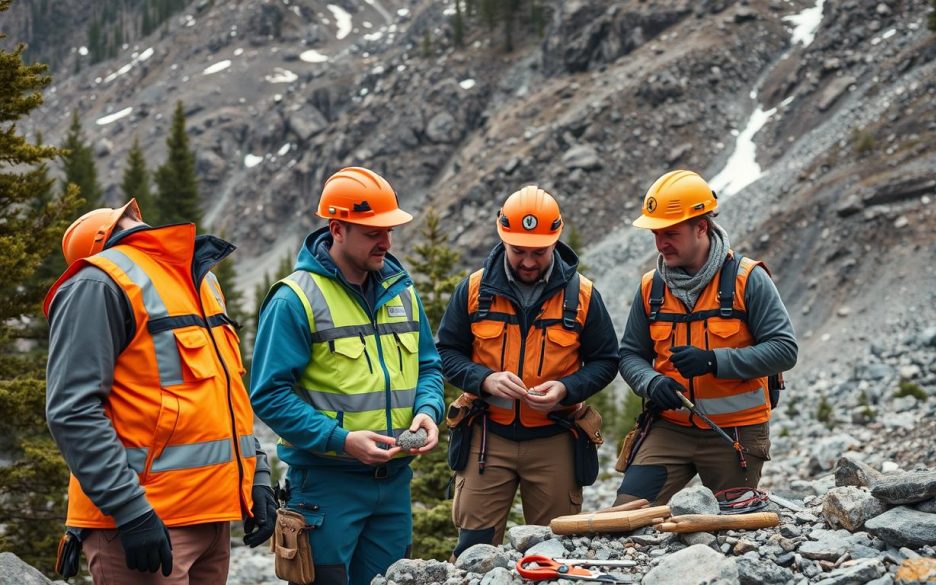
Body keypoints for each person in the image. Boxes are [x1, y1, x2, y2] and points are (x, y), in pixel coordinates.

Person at [43, 199, 275, 584]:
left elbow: (225, 393)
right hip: (145, 523)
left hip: (210, 518)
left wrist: (257, 476)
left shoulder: (199, 280)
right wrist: (130, 509)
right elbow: (72, 410)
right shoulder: (96, 283)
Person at [249, 167, 445, 585]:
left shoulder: (402, 290)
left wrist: (429, 409)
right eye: (373, 232)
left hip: (393, 484)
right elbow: (268, 395)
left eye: (389, 230)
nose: (387, 242)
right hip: (325, 487)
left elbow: (428, 365)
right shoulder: (295, 298)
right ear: (337, 229)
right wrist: (341, 441)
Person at [437, 186, 619, 558]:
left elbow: (606, 361)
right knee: (474, 551)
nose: (529, 261)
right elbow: (445, 353)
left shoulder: (582, 295)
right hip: (487, 440)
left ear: (556, 240)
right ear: (502, 237)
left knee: (553, 551)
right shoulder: (474, 290)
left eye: (539, 252)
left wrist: (566, 389)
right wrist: (484, 379)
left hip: (555, 440)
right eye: (519, 250)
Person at [613, 170, 798, 507]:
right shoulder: (650, 287)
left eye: (671, 233)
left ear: (702, 226)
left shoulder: (747, 279)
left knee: (731, 526)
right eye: (656, 234)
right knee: (627, 517)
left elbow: (784, 350)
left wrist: (715, 361)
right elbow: (629, 355)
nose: (661, 244)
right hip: (669, 428)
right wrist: (651, 382)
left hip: (734, 433)